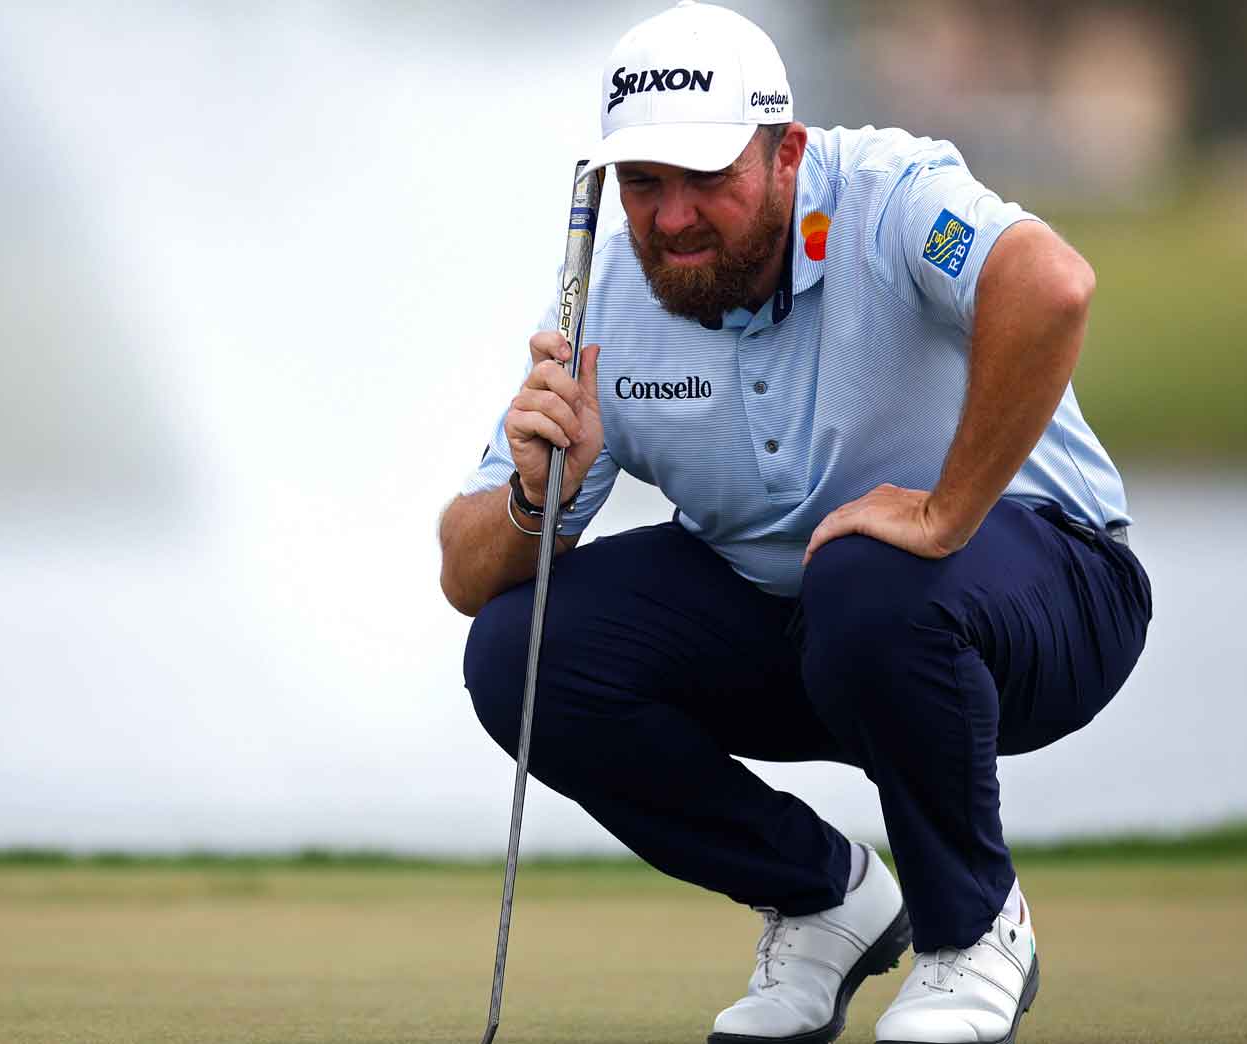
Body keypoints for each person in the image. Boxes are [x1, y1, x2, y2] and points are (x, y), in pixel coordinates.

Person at [437, 3, 1153, 1043]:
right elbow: (467, 576)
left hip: (1051, 593)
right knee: (518, 649)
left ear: (785, 154)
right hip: (820, 628)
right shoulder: (604, 302)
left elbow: (1050, 287)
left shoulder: (890, 194)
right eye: (643, 185)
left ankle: (973, 930)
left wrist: (946, 509)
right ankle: (825, 900)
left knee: (866, 580)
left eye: (706, 179)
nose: (672, 217)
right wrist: (533, 497)